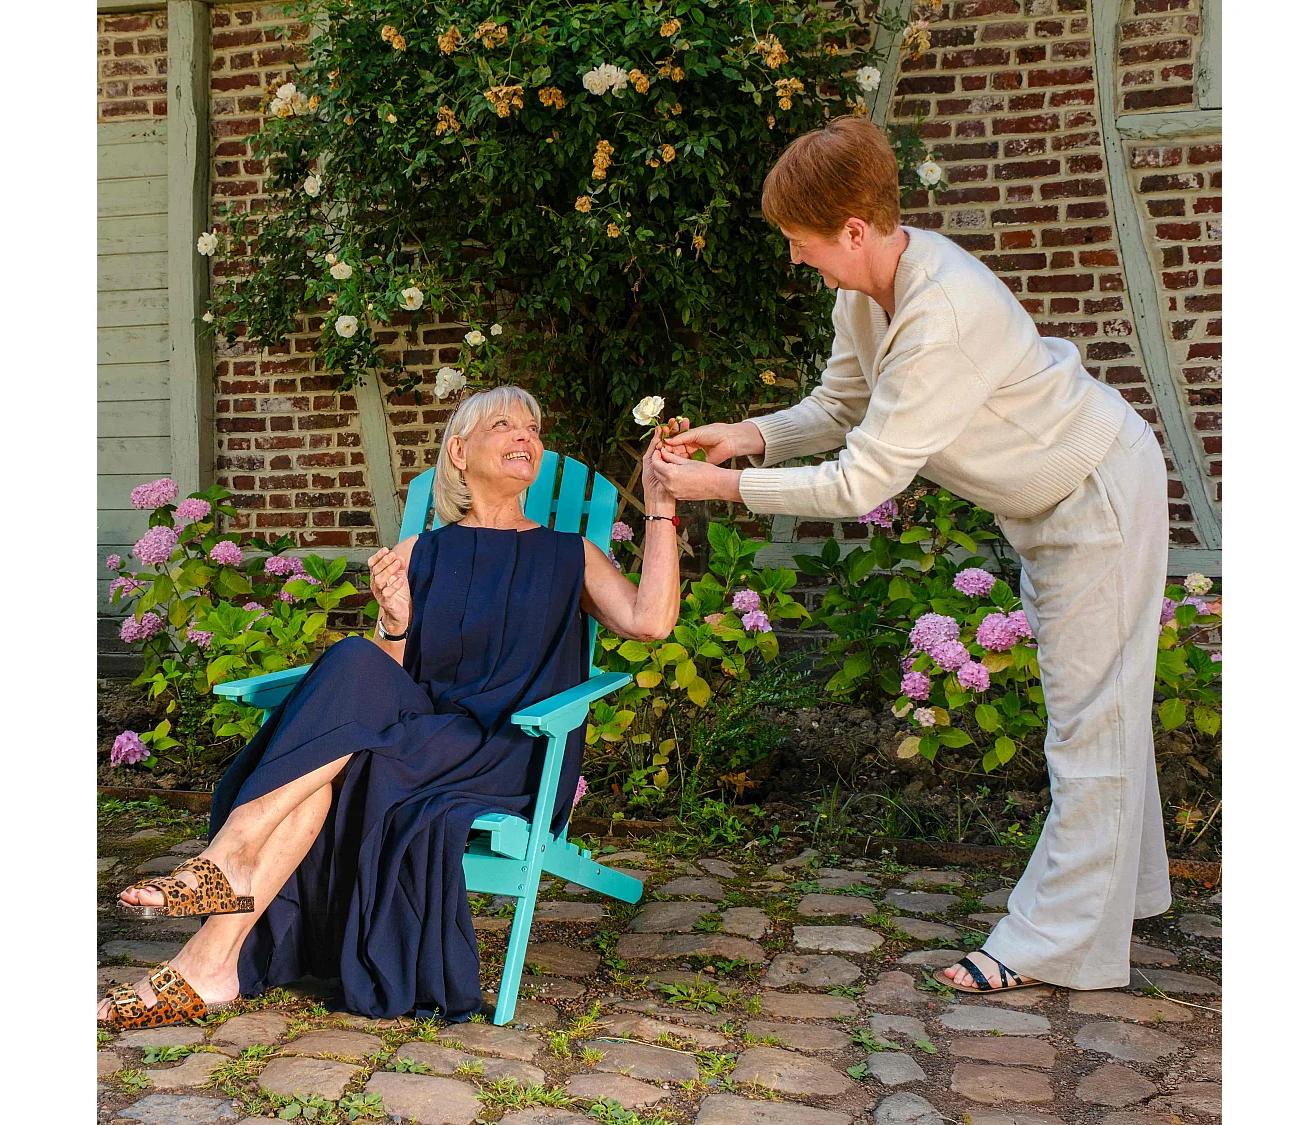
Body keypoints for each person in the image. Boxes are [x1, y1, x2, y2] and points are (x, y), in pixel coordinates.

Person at [651, 116, 1171, 995]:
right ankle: (1128, 895)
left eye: (802, 243)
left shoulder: (944, 313)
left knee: (1088, 723)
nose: (795, 259)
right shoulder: (863, 291)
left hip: (1096, 494)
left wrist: (724, 493)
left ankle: (1052, 941)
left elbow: (862, 480)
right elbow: (840, 402)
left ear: (854, 230)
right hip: (1048, 505)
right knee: (1097, 709)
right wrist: (742, 438)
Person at [99, 386, 682, 1028]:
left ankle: (225, 872)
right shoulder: (420, 553)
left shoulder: (570, 554)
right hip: (419, 735)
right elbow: (385, 680)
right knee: (354, 664)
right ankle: (208, 964)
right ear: (458, 452)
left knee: (326, 764)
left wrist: (660, 507)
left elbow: (650, 622)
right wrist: (397, 624)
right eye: (503, 424)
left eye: (534, 428)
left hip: (510, 746)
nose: (526, 435)